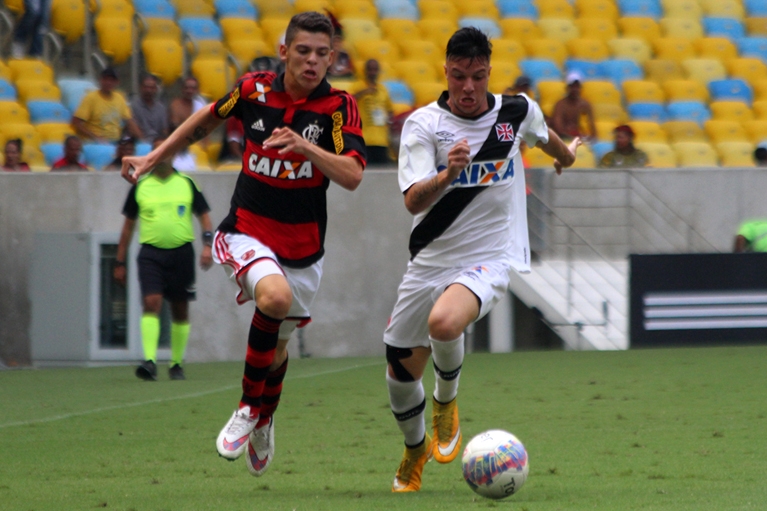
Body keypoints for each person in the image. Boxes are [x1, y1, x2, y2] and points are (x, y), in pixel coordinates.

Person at [120, 11, 366, 476]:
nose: (312, 62)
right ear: (284, 51)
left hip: (305, 245)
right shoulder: (253, 89)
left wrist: (305, 147)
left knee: (277, 348)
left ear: (331, 57)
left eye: (321, 54)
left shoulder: (339, 107)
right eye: (303, 51)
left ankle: (265, 417)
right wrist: (155, 157)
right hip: (247, 228)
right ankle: (247, 407)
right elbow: (205, 120)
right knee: (273, 297)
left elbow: (353, 174)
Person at [383, 27, 580, 493]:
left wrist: (566, 157)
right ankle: (414, 450)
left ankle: (446, 402)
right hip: (430, 259)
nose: (467, 87)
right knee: (397, 375)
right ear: (445, 72)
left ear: (489, 72)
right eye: (458, 76)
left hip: (490, 256)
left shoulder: (516, 111)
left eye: (476, 76)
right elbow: (413, 202)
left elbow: (545, 137)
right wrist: (448, 172)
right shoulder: (423, 125)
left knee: (445, 324)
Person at [114, 136, 213, 380]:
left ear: (173, 153)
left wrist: (208, 245)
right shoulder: (140, 185)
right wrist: (119, 261)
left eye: (166, 150)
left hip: (182, 253)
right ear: (153, 155)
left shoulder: (187, 183)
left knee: (180, 309)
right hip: (151, 254)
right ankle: (149, 361)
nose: (163, 154)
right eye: (157, 150)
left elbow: (204, 216)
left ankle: (176, 363)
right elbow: (127, 227)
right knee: (152, 303)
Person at [72, 67, 142, 143]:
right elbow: (76, 123)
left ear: (117, 82)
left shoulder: (120, 98)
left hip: (115, 142)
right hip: (95, 142)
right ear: (100, 80)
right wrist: (95, 137)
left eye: (112, 80)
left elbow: (130, 121)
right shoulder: (90, 98)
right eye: (105, 79)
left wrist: (143, 140)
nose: (108, 82)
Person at [354, 59, 393, 164]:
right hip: (364, 139)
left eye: (375, 70)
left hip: (381, 140)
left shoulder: (383, 89)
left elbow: (390, 110)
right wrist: (364, 92)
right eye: (370, 70)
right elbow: (347, 101)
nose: (372, 73)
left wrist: (388, 119)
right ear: (365, 71)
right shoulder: (357, 86)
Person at [550, 71, 596, 141]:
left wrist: (589, 138)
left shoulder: (585, 105)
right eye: (572, 87)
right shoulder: (561, 105)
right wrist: (573, 137)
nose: (575, 89)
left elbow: (592, 127)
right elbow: (558, 128)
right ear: (567, 88)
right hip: (564, 139)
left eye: (577, 87)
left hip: (581, 138)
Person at [130, 74, 168, 142]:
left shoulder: (161, 108)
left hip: (158, 143)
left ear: (156, 89)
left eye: (152, 87)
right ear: (141, 87)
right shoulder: (133, 106)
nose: (149, 90)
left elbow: (164, 130)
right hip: (140, 143)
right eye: (146, 87)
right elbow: (133, 129)